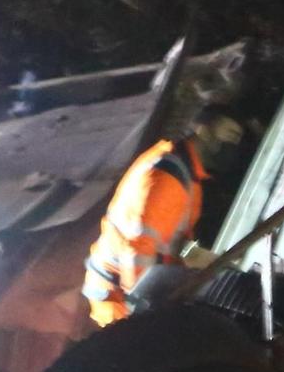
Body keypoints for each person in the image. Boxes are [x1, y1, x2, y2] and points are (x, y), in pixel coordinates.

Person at [83, 111, 244, 328]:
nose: (233, 144)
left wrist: (202, 259)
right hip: (120, 301)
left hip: (130, 290)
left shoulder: (184, 171)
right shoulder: (168, 175)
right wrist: (142, 312)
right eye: (229, 133)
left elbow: (167, 238)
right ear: (203, 129)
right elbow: (138, 249)